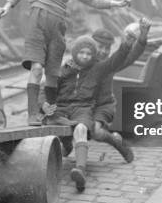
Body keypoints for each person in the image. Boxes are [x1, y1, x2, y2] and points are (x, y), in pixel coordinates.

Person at [0, 0, 131, 126]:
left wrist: (116, 4)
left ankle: (52, 114)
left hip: (58, 30)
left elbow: (92, 0)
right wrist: (7, 6)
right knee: (36, 68)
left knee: (53, 74)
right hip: (37, 24)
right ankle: (33, 114)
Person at [44, 29, 141, 192]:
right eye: (81, 52)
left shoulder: (100, 67)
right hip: (75, 108)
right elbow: (49, 85)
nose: (85, 56)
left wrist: (127, 45)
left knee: (94, 131)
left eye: (89, 53)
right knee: (60, 122)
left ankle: (113, 144)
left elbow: (118, 59)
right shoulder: (68, 67)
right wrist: (45, 103)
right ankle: (67, 145)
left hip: (100, 106)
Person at [88, 18, 151, 162]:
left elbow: (132, 55)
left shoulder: (111, 64)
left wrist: (142, 36)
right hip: (82, 107)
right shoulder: (82, 60)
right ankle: (64, 148)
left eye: (107, 48)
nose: (103, 51)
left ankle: (117, 142)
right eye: (100, 46)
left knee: (95, 132)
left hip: (103, 107)